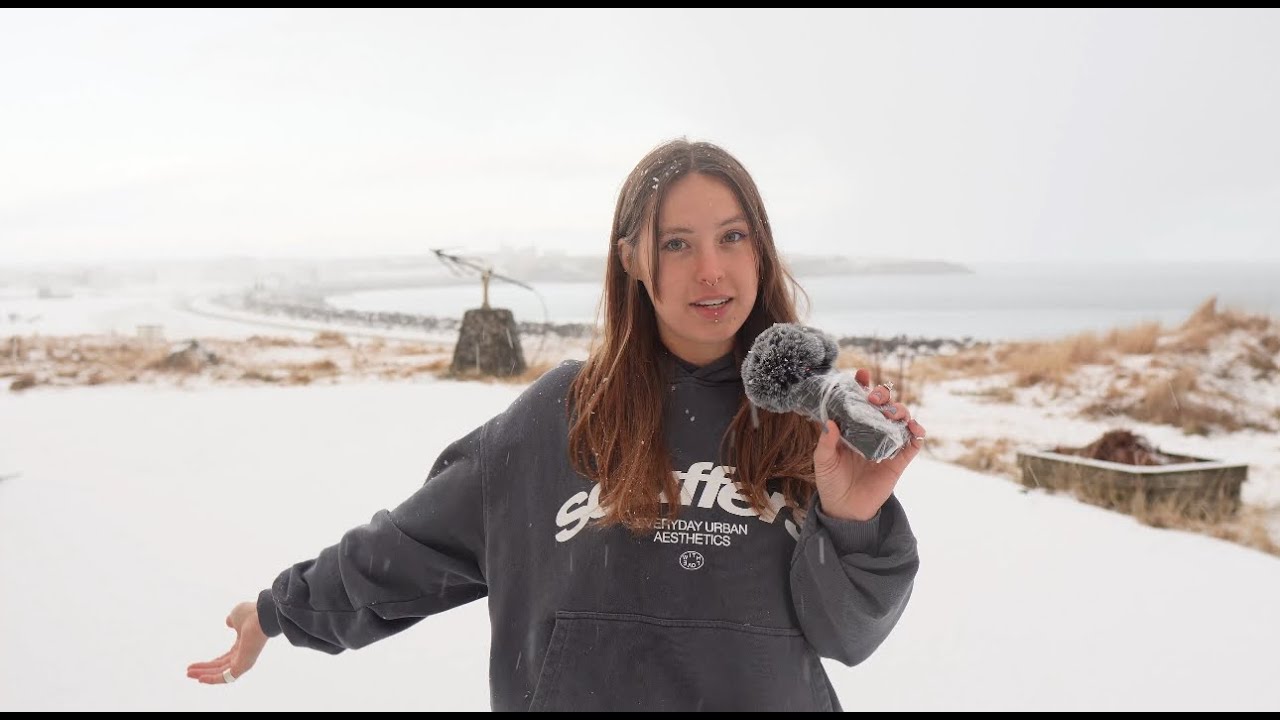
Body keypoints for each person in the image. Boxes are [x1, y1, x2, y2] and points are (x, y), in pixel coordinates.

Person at [186, 138, 927, 711]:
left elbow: (848, 636)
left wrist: (853, 519)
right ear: (633, 256)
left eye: (733, 237)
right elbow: (405, 550)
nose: (712, 269)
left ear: (760, 249)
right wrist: (279, 609)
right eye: (678, 242)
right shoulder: (557, 420)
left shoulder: (802, 419)